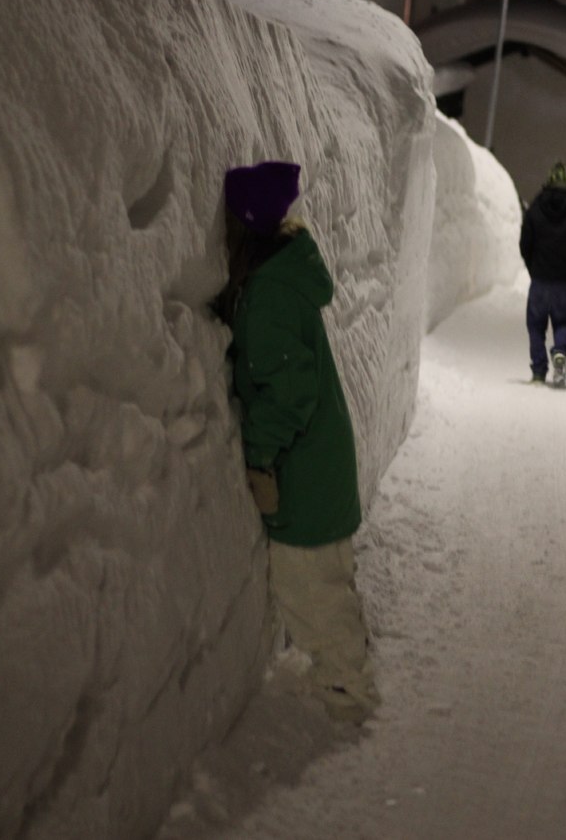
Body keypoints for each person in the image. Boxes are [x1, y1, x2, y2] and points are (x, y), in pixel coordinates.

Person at [212, 160, 380, 724]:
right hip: (317, 459)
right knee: (324, 579)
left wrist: (258, 456)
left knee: (310, 587)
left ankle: (347, 691)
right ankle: (346, 666)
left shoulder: (270, 298)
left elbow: (289, 392)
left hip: (303, 466)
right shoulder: (278, 284)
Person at [519, 161, 566, 385]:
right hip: (565, 281)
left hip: (540, 279)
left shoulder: (535, 209)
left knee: (535, 326)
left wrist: (533, 267)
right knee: (561, 322)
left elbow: (525, 244)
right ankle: (560, 352)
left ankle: (539, 371)